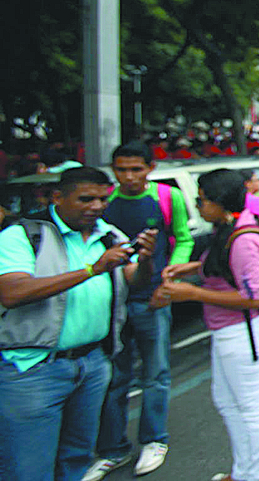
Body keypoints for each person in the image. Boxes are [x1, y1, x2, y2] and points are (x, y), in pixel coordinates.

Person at [0, 167, 156, 481]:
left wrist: (147, 260)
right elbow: (12, 292)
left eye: (102, 199)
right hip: (33, 368)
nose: (96, 206)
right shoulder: (22, 235)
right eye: (86, 199)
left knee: (77, 459)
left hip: (92, 364)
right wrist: (91, 269)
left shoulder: (109, 234)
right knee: (28, 467)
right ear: (57, 197)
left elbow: (134, 279)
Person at [150, 170, 259, 481]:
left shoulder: (244, 237)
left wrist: (191, 291)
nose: (198, 206)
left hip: (242, 330)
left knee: (252, 409)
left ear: (219, 203)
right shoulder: (229, 227)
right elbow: (222, 264)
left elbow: (253, 298)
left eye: (201, 200)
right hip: (228, 331)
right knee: (227, 400)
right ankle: (244, 471)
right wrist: (193, 268)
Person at [87, 143, 194, 481]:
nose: (129, 177)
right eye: (122, 170)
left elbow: (183, 238)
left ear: (150, 168)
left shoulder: (167, 197)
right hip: (112, 302)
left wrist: (169, 276)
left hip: (152, 298)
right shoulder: (104, 203)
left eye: (136, 169)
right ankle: (113, 449)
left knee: (156, 373)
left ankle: (154, 439)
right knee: (114, 378)